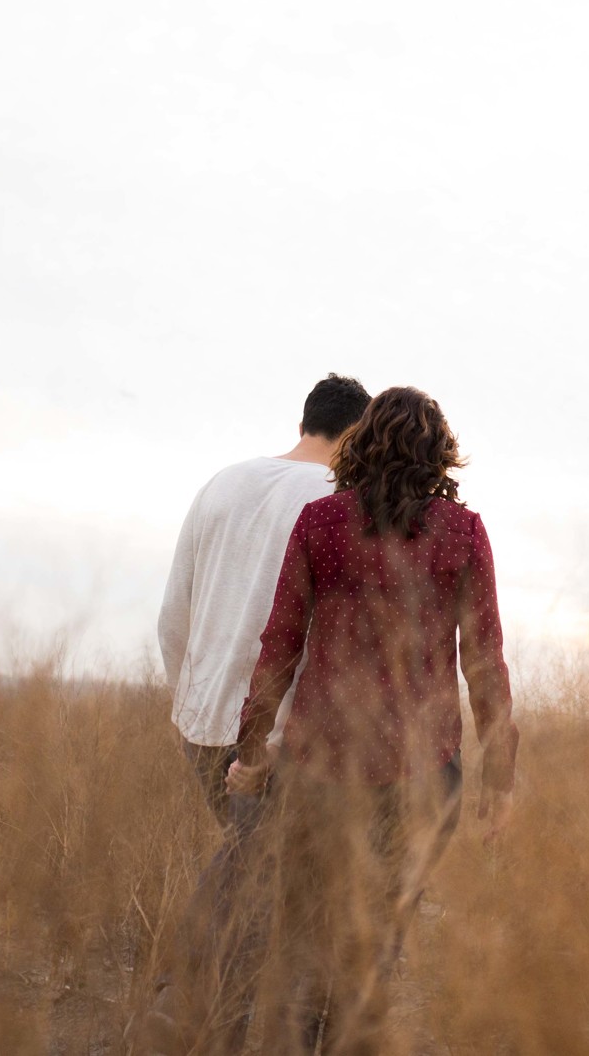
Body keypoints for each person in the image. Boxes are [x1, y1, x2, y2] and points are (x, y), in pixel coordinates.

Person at [228, 385, 518, 1056]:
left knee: (302, 941)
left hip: (316, 768)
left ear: (359, 445)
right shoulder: (463, 533)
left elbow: (280, 642)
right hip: (422, 773)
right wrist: (499, 782)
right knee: (378, 940)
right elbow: (485, 663)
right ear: (439, 453)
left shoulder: (320, 521)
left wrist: (252, 747)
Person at [140, 373, 371, 1056]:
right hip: (279, 736)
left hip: (202, 720)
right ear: (356, 433)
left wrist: (188, 704)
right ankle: (174, 1020)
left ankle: (244, 1025)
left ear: (307, 422)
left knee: (271, 877)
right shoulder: (342, 501)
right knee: (255, 880)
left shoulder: (222, 484)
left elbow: (171, 616)